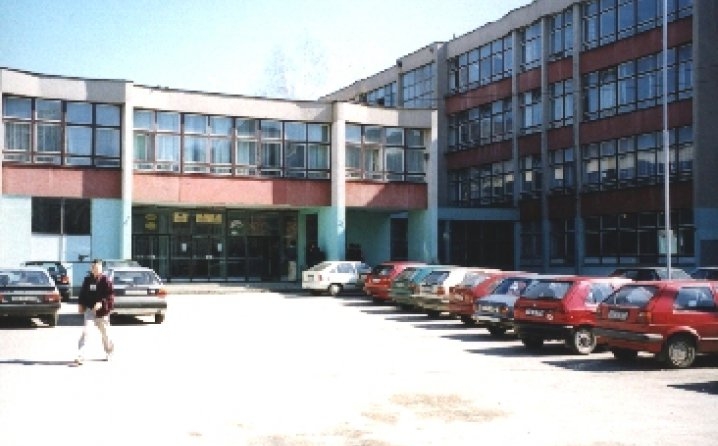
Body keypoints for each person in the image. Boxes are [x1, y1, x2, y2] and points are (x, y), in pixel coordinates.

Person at [75, 259, 115, 365]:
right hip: (90, 310)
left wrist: (101, 303)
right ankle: (80, 355)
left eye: (97, 267)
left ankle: (109, 352)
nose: (95, 269)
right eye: (93, 267)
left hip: (102, 312)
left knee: (106, 334)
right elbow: (82, 294)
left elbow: (110, 296)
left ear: (101, 268)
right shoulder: (88, 280)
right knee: (86, 332)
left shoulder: (106, 280)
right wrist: (81, 305)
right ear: (91, 268)